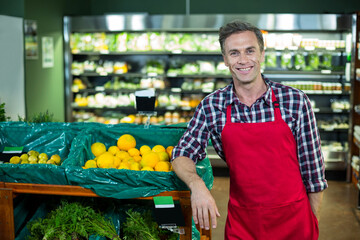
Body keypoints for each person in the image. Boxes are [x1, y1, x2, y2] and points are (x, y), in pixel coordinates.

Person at [170, 20, 327, 240]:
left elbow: (314, 176)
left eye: (250, 51)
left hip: (295, 222)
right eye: (234, 53)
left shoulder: (295, 101)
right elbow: (181, 154)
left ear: (262, 54)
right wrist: (197, 185)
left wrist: (311, 223)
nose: (243, 60)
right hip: (243, 224)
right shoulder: (212, 106)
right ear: (225, 59)